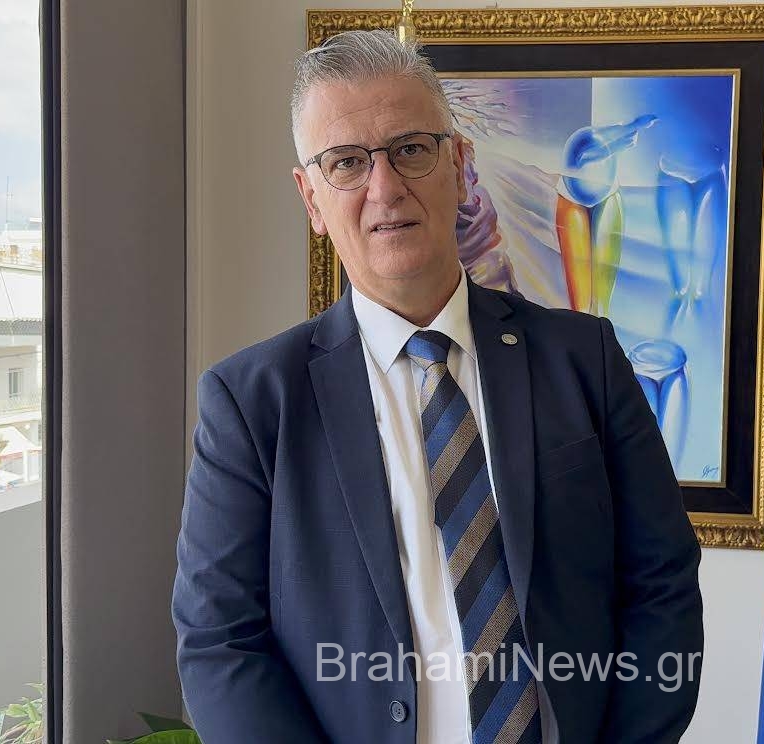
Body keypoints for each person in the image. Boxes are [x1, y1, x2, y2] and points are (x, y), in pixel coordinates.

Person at [172, 29, 703, 744]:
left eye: (411, 149)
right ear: (311, 199)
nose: (385, 187)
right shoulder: (251, 402)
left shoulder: (586, 360)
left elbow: (662, 582)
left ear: (459, 164)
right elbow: (220, 641)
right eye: (347, 162)